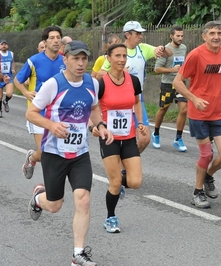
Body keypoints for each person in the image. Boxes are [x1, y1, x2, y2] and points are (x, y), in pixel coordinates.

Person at [26, 40, 113, 266]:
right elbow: (32, 113)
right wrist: (51, 125)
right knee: (55, 205)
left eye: (84, 58)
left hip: (79, 153)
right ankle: (38, 198)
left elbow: (94, 107)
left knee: (83, 200)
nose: (81, 63)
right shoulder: (53, 85)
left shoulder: (92, 83)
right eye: (76, 58)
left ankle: (78, 254)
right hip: (54, 153)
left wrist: (100, 125)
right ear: (65, 59)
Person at [173, 21, 221, 209]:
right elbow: (178, 82)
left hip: (219, 112)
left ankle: (208, 175)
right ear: (204, 36)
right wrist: (193, 99)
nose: (216, 36)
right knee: (207, 154)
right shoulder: (196, 55)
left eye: (219, 33)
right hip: (199, 113)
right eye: (212, 33)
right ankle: (197, 192)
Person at [90, 43, 145, 233]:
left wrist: (140, 122)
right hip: (109, 138)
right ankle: (110, 217)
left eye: (124, 56)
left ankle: (120, 182)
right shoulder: (101, 83)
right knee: (114, 183)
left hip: (128, 137)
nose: (122, 59)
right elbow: (92, 108)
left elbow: (137, 102)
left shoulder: (133, 80)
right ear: (108, 58)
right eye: (117, 56)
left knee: (135, 181)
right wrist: (94, 127)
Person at [98, 21, 172, 154]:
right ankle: (121, 164)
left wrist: (162, 49)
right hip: (116, 100)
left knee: (144, 139)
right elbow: (99, 74)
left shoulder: (143, 48)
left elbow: (169, 54)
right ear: (127, 35)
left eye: (141, 33)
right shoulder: (118, 52)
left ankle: (128, 160)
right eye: (137, 33)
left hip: (136, 99)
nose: (141, 36)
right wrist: (118, 72)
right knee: (117, 137)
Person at [14, 26, 66, 180]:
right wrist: (25, 92)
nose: (56, 40)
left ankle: (52, 188)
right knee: (43, 153)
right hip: (37, 113)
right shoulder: (34, 60)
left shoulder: (65, 60)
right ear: (45, 41)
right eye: (52, 38)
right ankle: (32, 158)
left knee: (59, 151)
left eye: (58, 37)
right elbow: (17, 79)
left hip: (58, 113)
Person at [152, 26, 188, 152]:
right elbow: (157, 69)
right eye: (177, 36)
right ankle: (156, 134)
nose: (180, 38)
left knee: (184, 109)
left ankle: (178, 138)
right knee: (163, 109)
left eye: (182, 36)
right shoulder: (166, 50)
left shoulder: (184, 48)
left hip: (180, 83)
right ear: (171, 36)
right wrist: (172, 70)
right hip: (167, 83)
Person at [0, 39, 16, 117]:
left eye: (5, 44)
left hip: (8, 77)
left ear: (7, 46)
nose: (4, 45)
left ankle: (6, 101)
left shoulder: (11, 54)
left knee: (9, 93)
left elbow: (13, 62)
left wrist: (13, 68)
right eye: (2, 44)